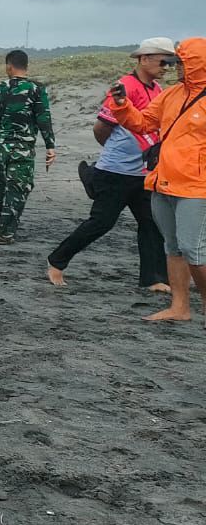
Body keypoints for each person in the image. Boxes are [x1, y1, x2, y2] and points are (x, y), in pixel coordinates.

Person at [46, 38, 174, 292]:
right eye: (163, 61)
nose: (167, 67)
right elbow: (101, 128)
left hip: (144, 173)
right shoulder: (125, 86)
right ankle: (56, 261)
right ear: (144, 58)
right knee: (102, 222)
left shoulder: (157, 89)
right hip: (116, 171)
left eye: (171, 63)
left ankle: (153, 278)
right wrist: (116, 153)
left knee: (151, 224)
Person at [105, 36, 206, 323]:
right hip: (163, 182)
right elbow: (143, 123)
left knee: (194, 251)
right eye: (175, 63)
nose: (176, 69)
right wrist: (122, 105)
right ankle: (180, 307)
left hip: (197, 187)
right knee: (172, 248)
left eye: (182, 64)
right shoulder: (172, 95)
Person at [0, 51, 56, 244]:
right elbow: (44, 118)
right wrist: (50, 146)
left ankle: (4, 226)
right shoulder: (36, 89)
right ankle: (6, 230)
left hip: (0, 148)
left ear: (9, 66)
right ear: (26, 66)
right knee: (17, 189)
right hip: (23, 149)